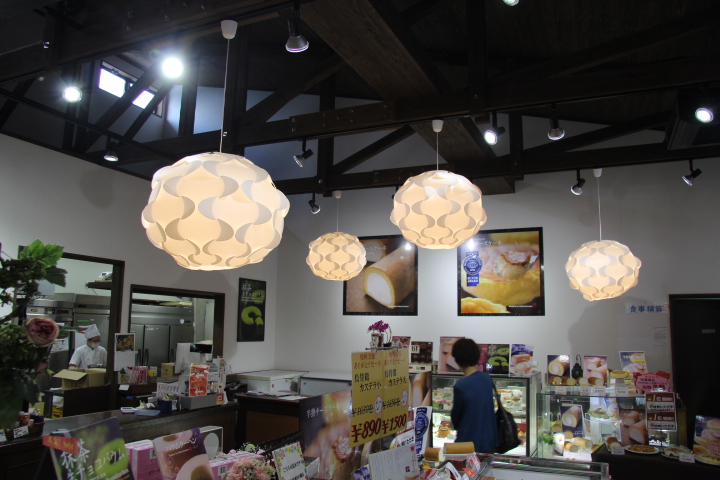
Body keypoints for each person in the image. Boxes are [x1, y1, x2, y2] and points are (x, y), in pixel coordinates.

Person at [450, 338, 499, 453]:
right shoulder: (486, 379)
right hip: (489, 441)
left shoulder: (461, 386)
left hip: (468, 443)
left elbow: (456, 419)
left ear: (457, 359)